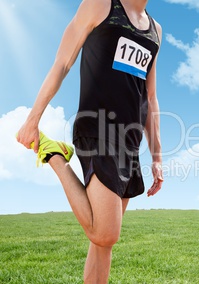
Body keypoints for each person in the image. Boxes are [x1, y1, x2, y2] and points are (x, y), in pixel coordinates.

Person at [16, 0, 163, 282]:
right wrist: (33, 119)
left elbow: (150, 96)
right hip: (97, 128)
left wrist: (157, 158)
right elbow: (63, 62)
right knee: (105, 232)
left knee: (102, 245)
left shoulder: (155, 30)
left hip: (129, 141)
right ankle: (55, 156)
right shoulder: (101, 5)